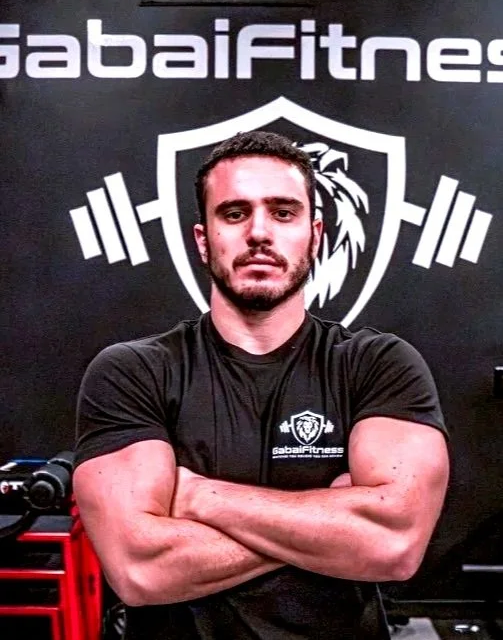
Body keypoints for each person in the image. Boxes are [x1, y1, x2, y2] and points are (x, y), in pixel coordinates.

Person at [74, 130, 449, 640]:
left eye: (283, 212)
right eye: (233, 213)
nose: (258, 233)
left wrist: (199, 497)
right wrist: (332, 521)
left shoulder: (377, 364)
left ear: (315, 235)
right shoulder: (133, 372)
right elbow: (142, 569)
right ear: (203, 238)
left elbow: (392, 545)